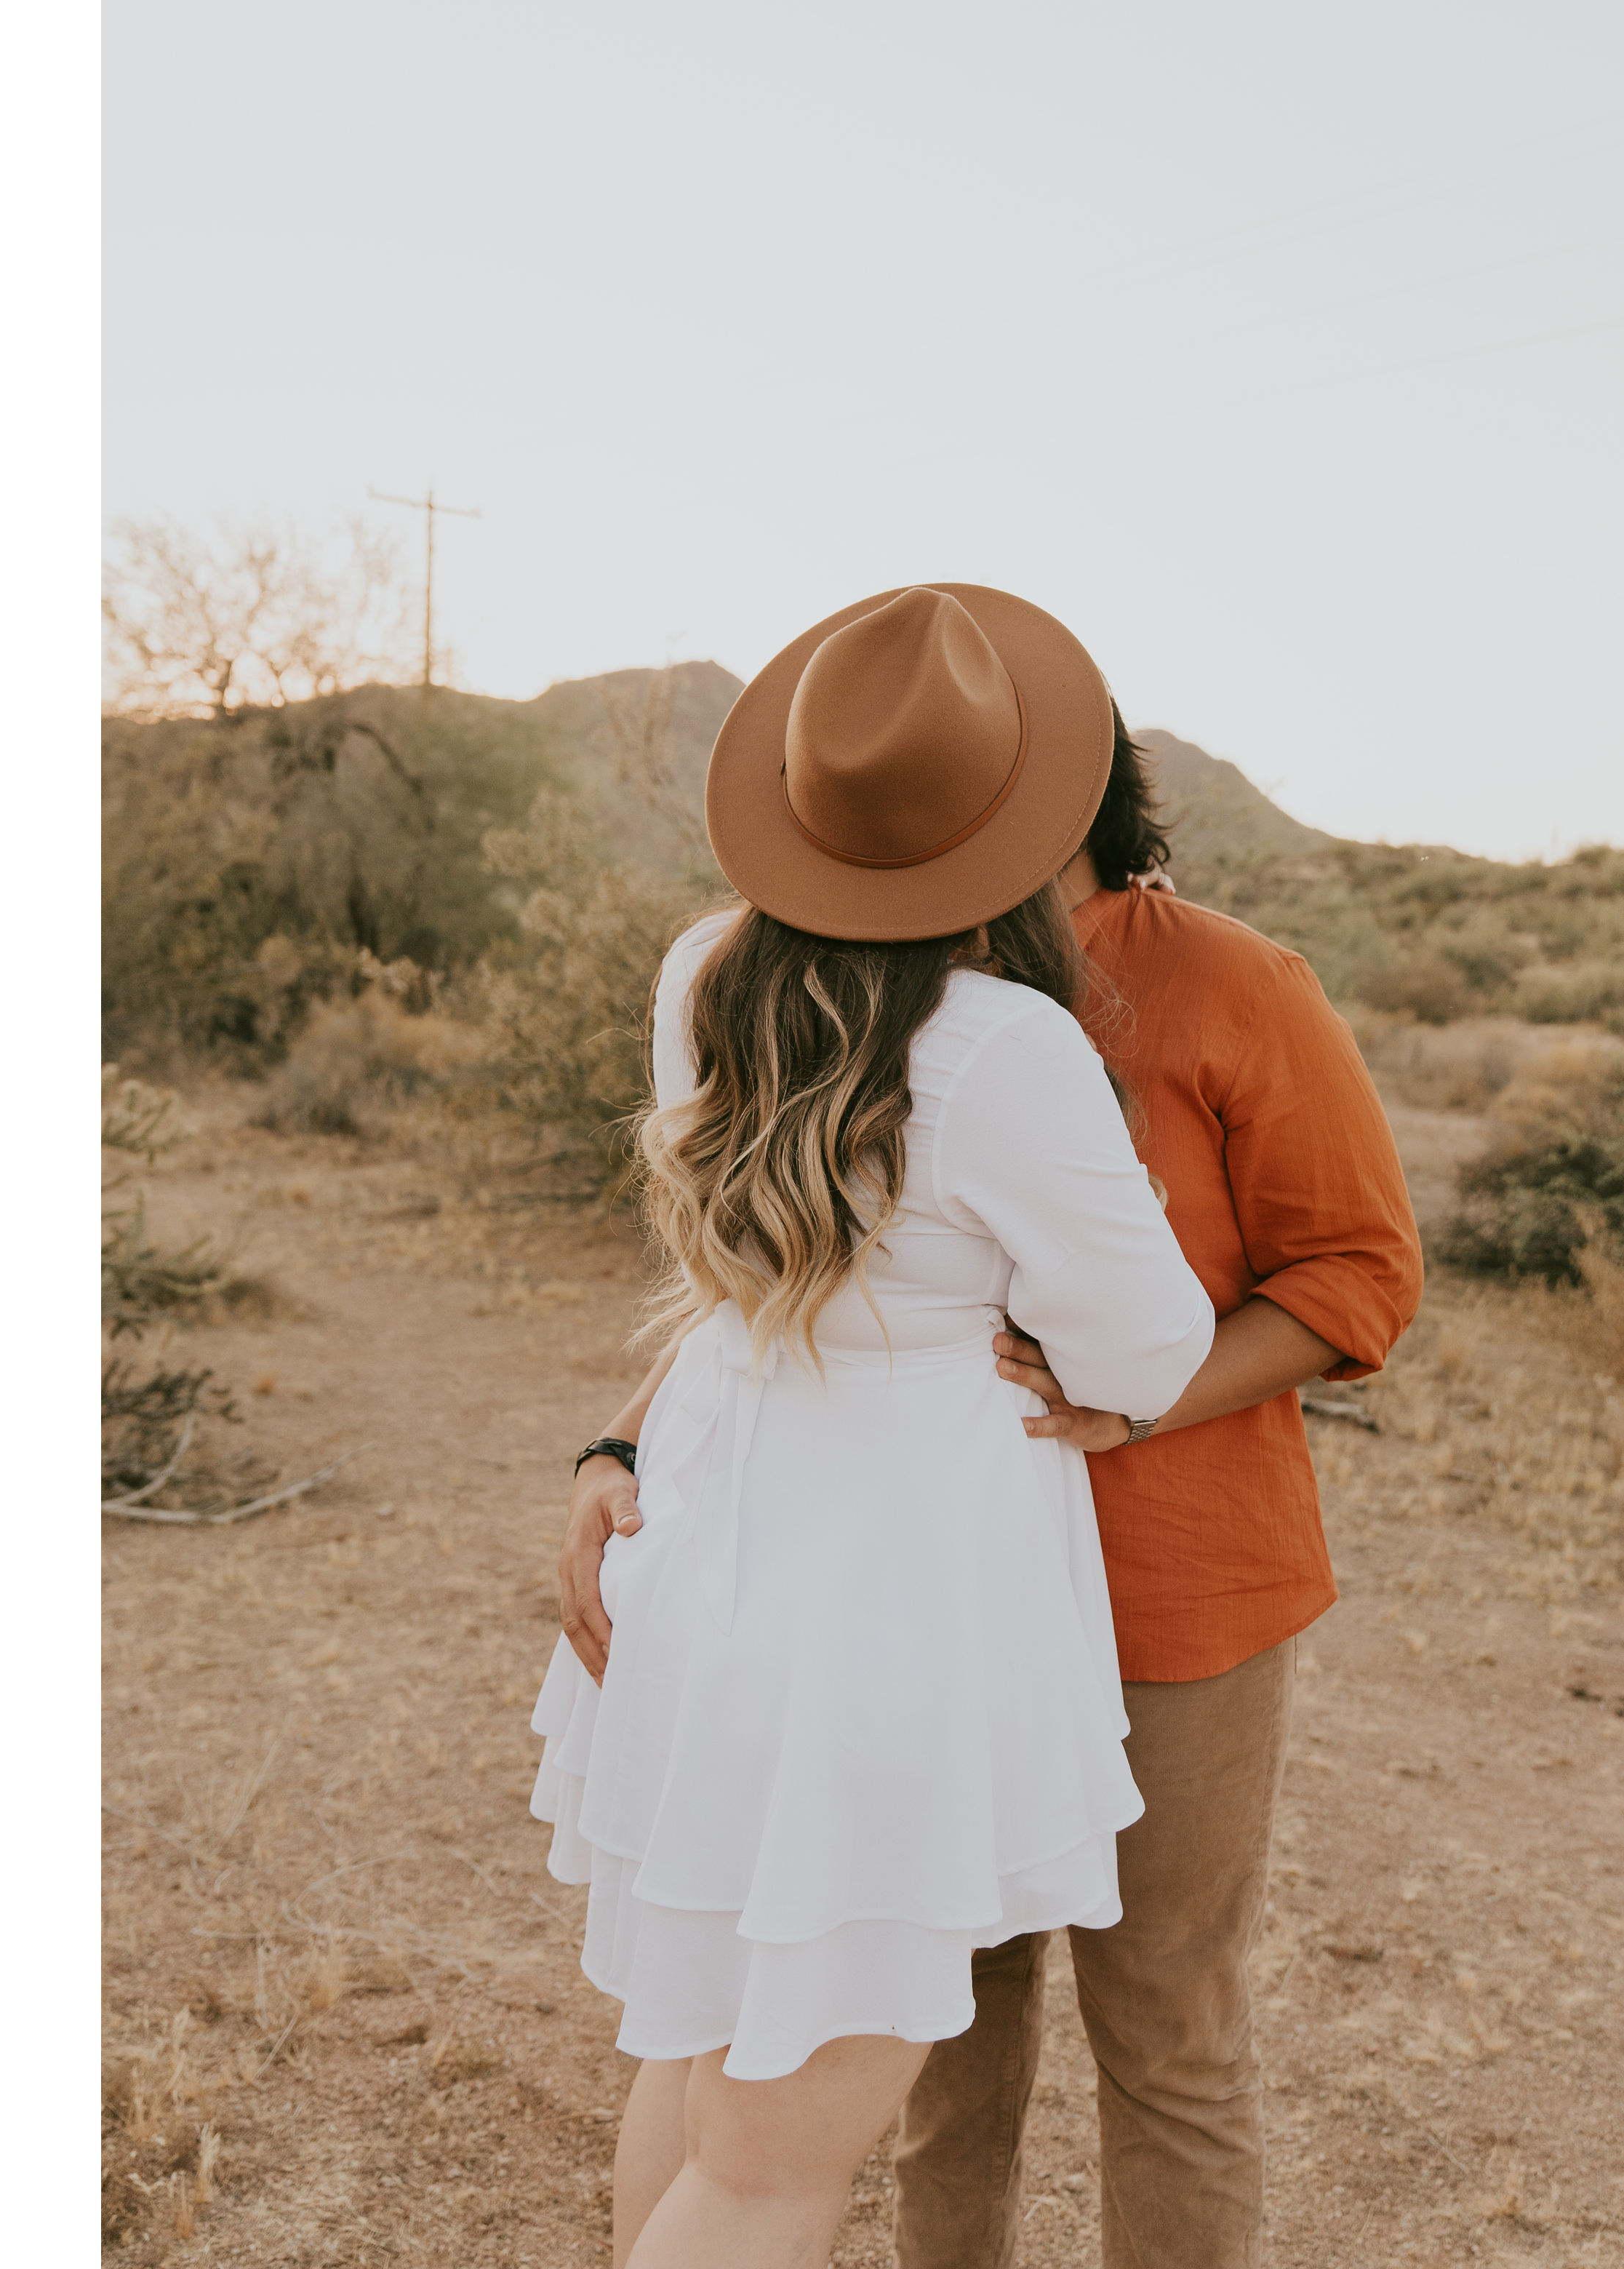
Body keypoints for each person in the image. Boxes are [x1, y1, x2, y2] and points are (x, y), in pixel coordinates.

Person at [561, 693, 1423, 2269]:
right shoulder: (873, 987)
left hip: (1169, 1588)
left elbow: (1359, 1273)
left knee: (1164, 2026)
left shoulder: (1234, 982)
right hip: (936, 1605)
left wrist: (1130, 1411)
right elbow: (769, 1284)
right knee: (932, 2051)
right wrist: (625, 1440)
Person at [530, 583, 1217, 2269]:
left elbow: (741, 1277)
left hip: (715, 1557)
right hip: (896, 1607)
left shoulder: (705, 973)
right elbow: (1148, 1342)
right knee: (775, 2161)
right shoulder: (1005, 1046)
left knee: (700, 2059)